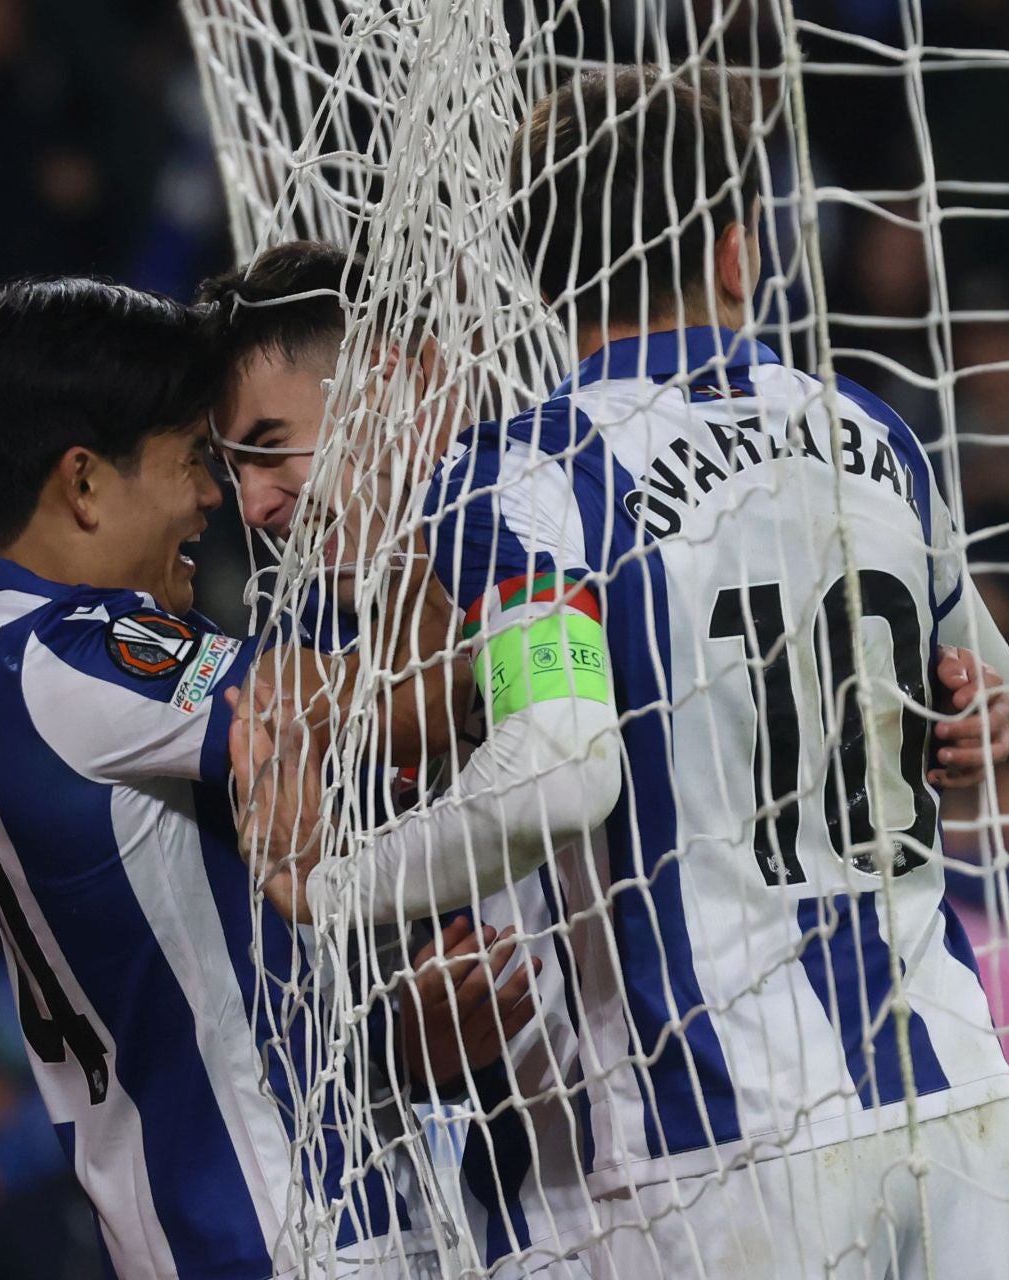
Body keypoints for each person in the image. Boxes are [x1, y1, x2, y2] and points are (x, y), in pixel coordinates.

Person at [234, 67, 1009, 1279]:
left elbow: (560, 768)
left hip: (713, 1147)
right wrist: (975, 719)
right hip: (958, 1101)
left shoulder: (533, 475)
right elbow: (987, 681)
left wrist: (333, 883)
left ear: (544, 277)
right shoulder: (867, 428)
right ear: (738, 249)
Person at [0, 276, 529, 1279]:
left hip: (328, 1218)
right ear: (83, 482)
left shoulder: (48, 671)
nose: (219, 498)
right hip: (267, 1243)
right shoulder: (61, 662)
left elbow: (221, 995)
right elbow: (411, 693)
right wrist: (406, 465)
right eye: (194, 458)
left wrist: (396, 1047)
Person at [200, 242, 599, 1278]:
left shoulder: (580, 520)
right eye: (233, 469)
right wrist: (409, 1048)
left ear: (409, 380)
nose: (256, 505)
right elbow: (386, 1045)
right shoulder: (315, 683)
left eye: (272, 443)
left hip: (738, 1153)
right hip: (533, 1219)